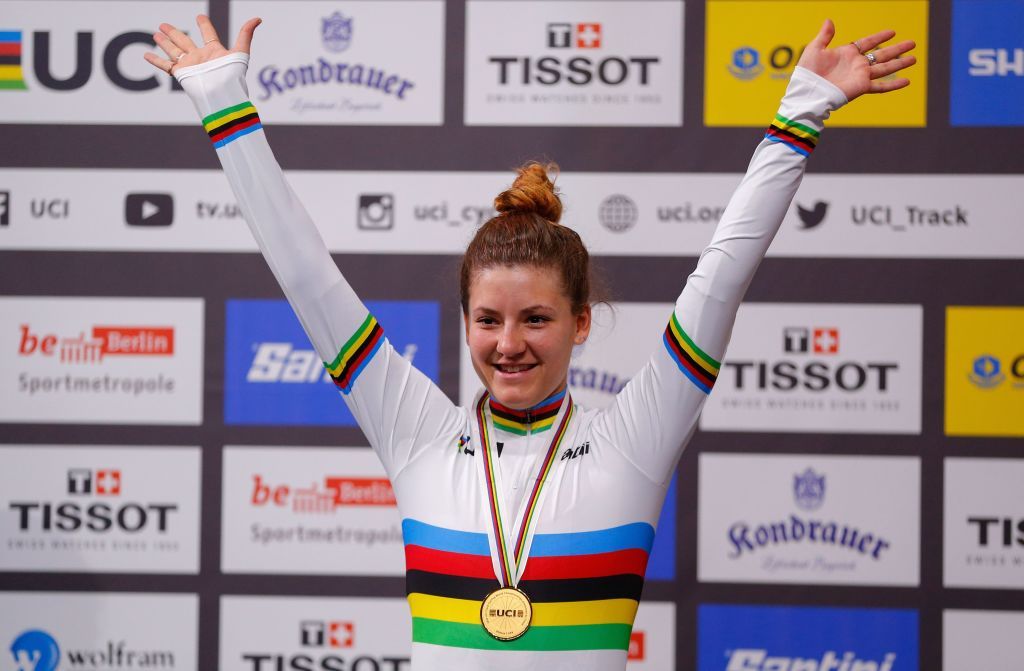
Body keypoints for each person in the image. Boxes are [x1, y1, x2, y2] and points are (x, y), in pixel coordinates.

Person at [146, 17, 914, 670]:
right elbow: (309, 279)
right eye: (487, 320)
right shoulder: (417, 432)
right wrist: (225, 107)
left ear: (581, 321)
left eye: (535, 319)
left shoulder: (634, 442)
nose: (508, 344)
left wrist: (801, 114)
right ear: (465, 320)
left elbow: (721, 277)